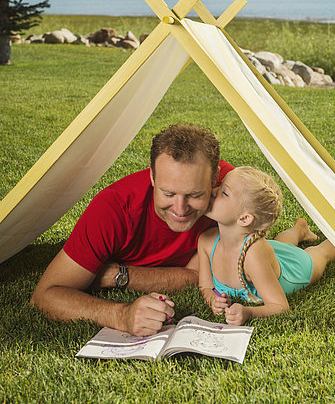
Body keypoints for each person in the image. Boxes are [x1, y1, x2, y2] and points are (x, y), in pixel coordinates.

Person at [30, 123, 234, 337]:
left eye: (195, 195)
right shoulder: (113, 209)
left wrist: (117, 275)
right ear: (153, 176)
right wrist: (122, 315)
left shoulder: (232, 191)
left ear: (214, 179)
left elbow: (197, 275)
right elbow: (45, 296)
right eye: (168, 193)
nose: (181, 209)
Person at [198, 166, 335, 325]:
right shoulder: (206, 242)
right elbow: (205, 286)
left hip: (293, 269)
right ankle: (298, 229)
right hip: (268, 254)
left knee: (320, 253)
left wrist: (249, 312)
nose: (213, 190)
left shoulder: (253, 256)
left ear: (244, 219)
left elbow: (280, 306)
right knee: (279, 245)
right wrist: (213, 301)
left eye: (224, 192)